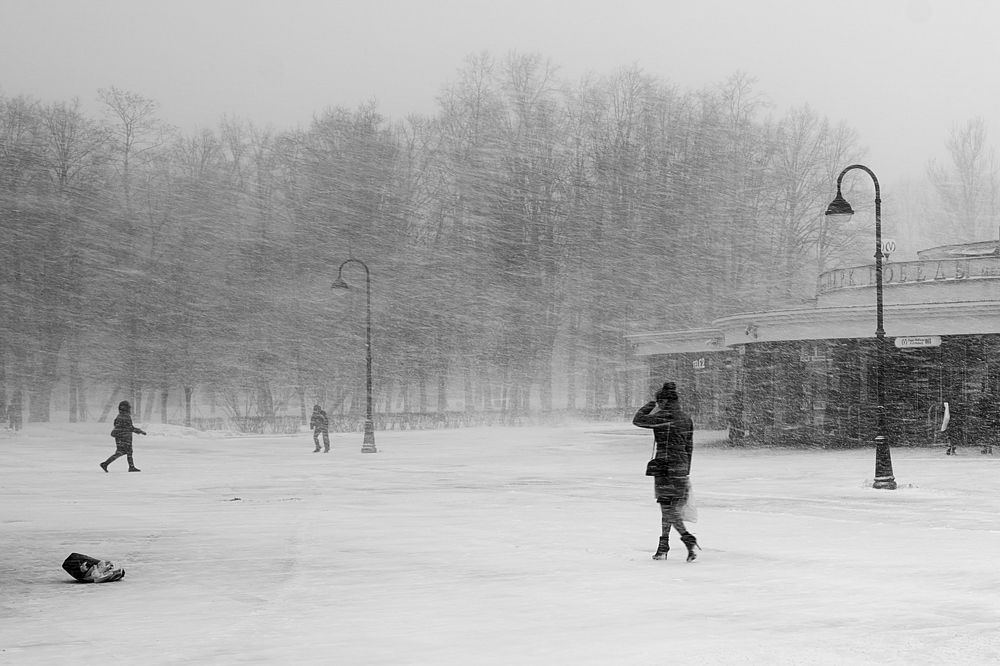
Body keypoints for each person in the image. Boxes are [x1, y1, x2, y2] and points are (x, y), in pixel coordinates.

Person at [633, 381, 700, 562]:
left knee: (666, 507)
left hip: (664, 466)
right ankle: (664, 545)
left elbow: (638, 419)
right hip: (680, 467)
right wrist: (686, 469)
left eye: (659, 401)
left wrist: (650, 405)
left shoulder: (662, 417)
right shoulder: (685, 418)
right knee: (671, 508)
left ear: (662, 401)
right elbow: (689, 446)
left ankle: (685, 539)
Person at [100, 400, 147, 472]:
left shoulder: (119, 416)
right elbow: (130, 428)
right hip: (124, 437)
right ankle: (130, 467)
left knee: (124, 452)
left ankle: (106, 464)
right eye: (128, 408)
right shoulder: (125, 417)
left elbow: (117, 426)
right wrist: (140, 431)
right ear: (125, 408)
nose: (129, 409)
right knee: (125, 451)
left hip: (120, 437)